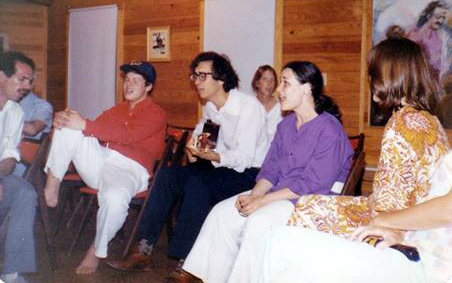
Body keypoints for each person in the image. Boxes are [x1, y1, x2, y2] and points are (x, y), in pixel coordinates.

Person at [252, 36, 450, 283]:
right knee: (309, 205)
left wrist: (374, 212)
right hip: (413, 218)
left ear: (387, 75)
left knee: (294, 222)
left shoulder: (402, 123)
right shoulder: (430, 120)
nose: (370, 80)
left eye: (373, 73)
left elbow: (389, 205)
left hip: (402, 227)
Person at [178, 61, 354, 283]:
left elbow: (313, 184)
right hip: (280, 196)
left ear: (307, 88)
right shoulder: (286, 126)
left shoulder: (329, 129)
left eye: (285, 83)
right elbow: (269, 170)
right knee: (223, 213)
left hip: (311, 201)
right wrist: (254, 196)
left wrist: (262, 201)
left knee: (258, 221)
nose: (278, 90)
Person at [107, 52, 269, 277]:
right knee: (167, 177)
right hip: (219, 167)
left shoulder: (248, 107)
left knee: (197, 183)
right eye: (195, 76)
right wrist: (193, 152)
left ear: (221, 79)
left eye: (203, 76)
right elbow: (202, 146)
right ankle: (143, 249)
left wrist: (211, 155)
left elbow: (242, 157)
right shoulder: (211, 108)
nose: (197, 82)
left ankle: (188, 262)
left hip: (248, 173)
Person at [43, 61, 167, 275]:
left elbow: (128, 136)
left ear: (148, 87)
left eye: (135, 81)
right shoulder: (117, 109)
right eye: (126, 80)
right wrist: (69, 119)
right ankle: (52, 182)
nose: (128, 84)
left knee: (115, 199)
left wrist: (84, 124)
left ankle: (96, 249)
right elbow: (92, 127)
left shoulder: (156, 113)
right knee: (70, 124)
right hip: (102, 160)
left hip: (130, 169)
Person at [0, 51, 37, 283]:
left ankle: (13, 272)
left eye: (30, 81)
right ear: (1, 76)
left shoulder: (15, 112)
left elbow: (10, 158)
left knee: (25, 192)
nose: (27, 86)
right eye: (21, 79)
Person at [12, 70, 53, 178]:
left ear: (31, 83)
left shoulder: (42, 106)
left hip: (21, 170)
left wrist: (6, 120)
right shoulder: (6, 104)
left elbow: (33, 129)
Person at [407, 0, 451, 81]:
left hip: (438, 79)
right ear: (428, 16)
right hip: (422, 80)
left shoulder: (440, 33)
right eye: (438, 17)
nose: (441, 21)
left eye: (443, 18)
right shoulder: (416, 34)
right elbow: (409, 62)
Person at [251, 65, 283, 142]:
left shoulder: (282, 107)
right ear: (257, 83)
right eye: (265, 79)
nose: (269, 83)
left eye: (272, 80)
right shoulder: (249, 106)